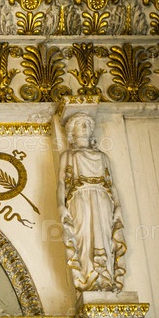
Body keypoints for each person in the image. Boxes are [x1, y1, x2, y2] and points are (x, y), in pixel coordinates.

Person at [58, 113, 127, 292]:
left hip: (102, 198)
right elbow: (61, 183)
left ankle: (105, 278)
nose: (84, 127)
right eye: (80, 124)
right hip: (79, 197)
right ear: (72, 131)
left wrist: (118, 207)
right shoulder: (68, 155)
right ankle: (88, 278)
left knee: (103, 235)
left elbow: (111, 184)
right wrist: (60, 206)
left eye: (87, 124)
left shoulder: (102, 157)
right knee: (83, 235)